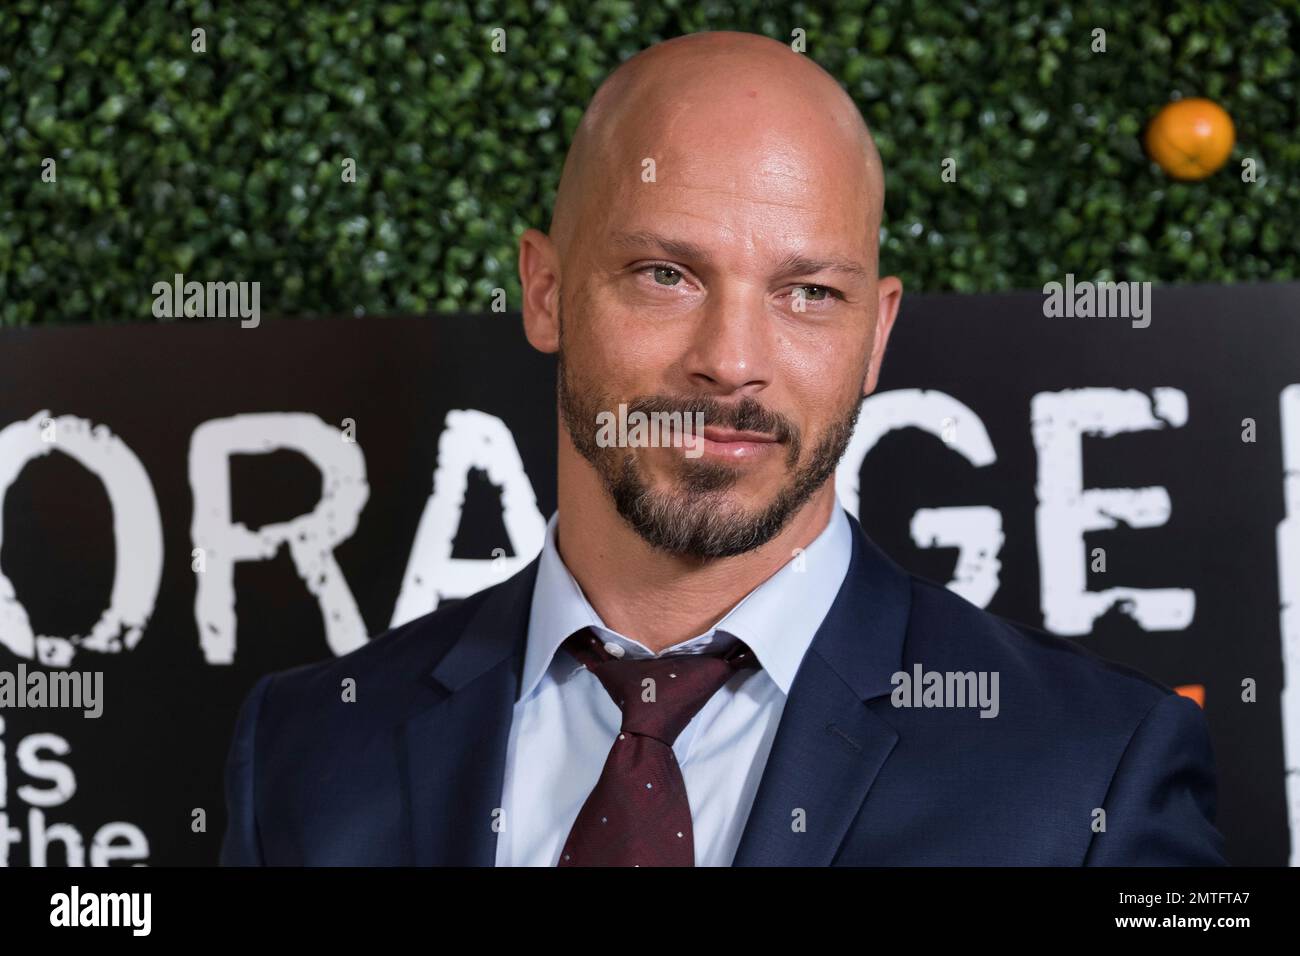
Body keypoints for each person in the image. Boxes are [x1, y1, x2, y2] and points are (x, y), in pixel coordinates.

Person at [220, 30, 1226, 866]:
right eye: (665, 273)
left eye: (807, 293)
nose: (731, 362)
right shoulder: (307, 749)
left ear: (875, 335)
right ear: (543, 289)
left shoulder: (1093, 765)